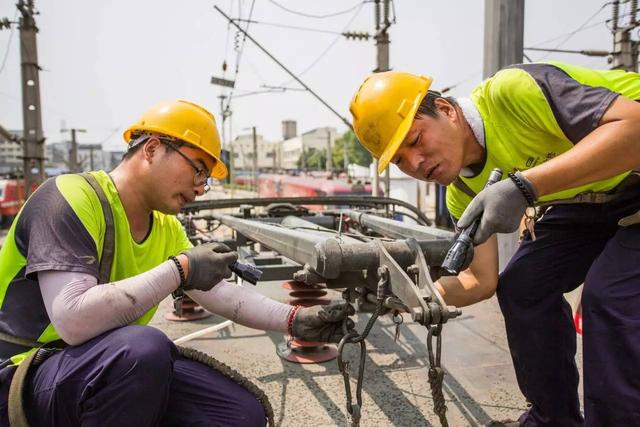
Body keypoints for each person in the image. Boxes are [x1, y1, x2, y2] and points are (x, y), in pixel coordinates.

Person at [0, 100, 352, 426]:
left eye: (206, 179)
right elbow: (73, 319)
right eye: (198, 169)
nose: (200, 187)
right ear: (152, 148)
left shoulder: (165, 228)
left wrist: (294, 321)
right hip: (21, 377)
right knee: (143, 349)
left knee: (238, 413)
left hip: (99, 370)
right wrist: (180, 269)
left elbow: (220, 294)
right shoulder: (69, 197)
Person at [349, 62, 640, 426]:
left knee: (611, 297)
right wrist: (411, 294)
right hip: (592, 195)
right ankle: (554, 419)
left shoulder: (512, 91)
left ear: (445, 110)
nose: (416, 163)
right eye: (400, 161)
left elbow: (636, 129)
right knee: (523, 287)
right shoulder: (463, 191)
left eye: (415, 140)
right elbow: (480, 280)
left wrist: (526, 186)